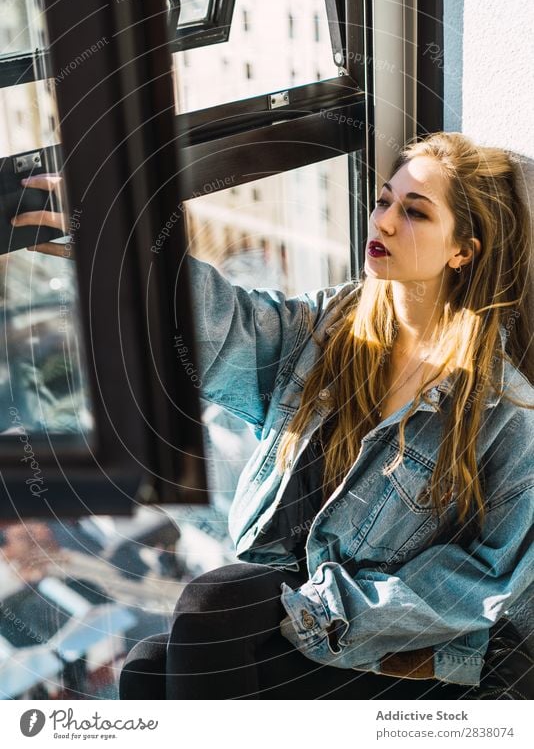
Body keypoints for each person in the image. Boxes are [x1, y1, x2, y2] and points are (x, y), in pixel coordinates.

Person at [14, 132, 534, 699]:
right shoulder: (328, 332)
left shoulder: (501, 409)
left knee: (212, 607)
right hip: (282, 601)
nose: (381, 222)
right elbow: (214, 324)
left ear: (465, 250)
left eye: (414, 212)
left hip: (377, 638)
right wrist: (121, 244)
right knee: (145, 666)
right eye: (384, 200)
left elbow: (493, 578)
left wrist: (319, 615)